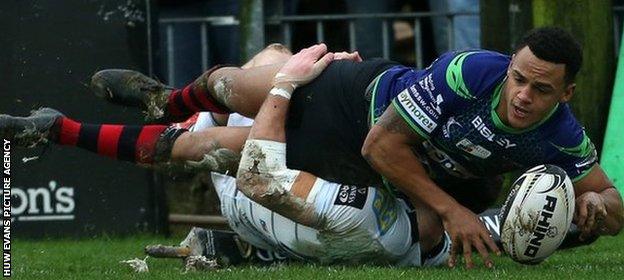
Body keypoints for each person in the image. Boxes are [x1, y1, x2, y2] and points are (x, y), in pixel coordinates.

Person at [2, 27, 623, 269]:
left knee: (206, 150)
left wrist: (600, 210)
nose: (521, 96)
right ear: (508, 67)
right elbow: (384, 147)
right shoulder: (471, 72)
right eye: (518, 77)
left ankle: (53, 129)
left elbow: (611, 201)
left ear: (565, 95)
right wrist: (453, 209)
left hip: (379, 168)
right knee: (240, 85)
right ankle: (174, 98)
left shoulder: (561, 134)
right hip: (355, 104)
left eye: (539, 90)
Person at [1, 44, 450, 267]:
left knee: (219, 136)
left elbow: (262, 176)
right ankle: (155, 110)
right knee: (280, 80)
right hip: (291, 206)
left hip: (251, 192)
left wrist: (288, 84)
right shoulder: (422, 234)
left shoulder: (369, 218)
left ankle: (90, 123)